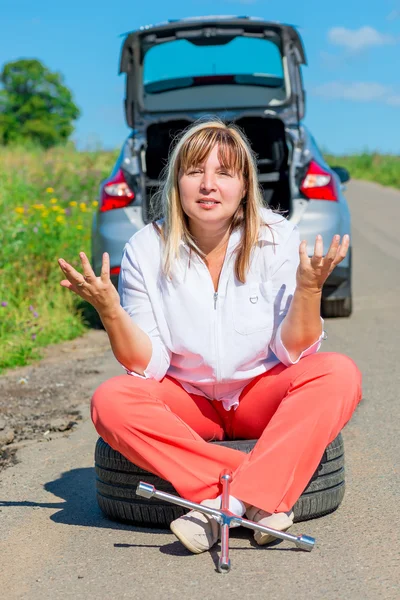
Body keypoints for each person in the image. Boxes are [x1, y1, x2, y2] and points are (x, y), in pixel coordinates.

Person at [58, 119, 362, 555]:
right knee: (111, 399)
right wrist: (110, 311)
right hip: (189, 402)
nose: (207, 185)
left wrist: (310, 290)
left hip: (261, 392)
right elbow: (146, 365)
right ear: (176, 181)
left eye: (224, 173)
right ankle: (259, 495)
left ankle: (221, 503)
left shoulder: (277, 239)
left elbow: (293, 351)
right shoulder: (146, 247)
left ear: (244, 186)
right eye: (194, 170)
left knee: (338, 372)